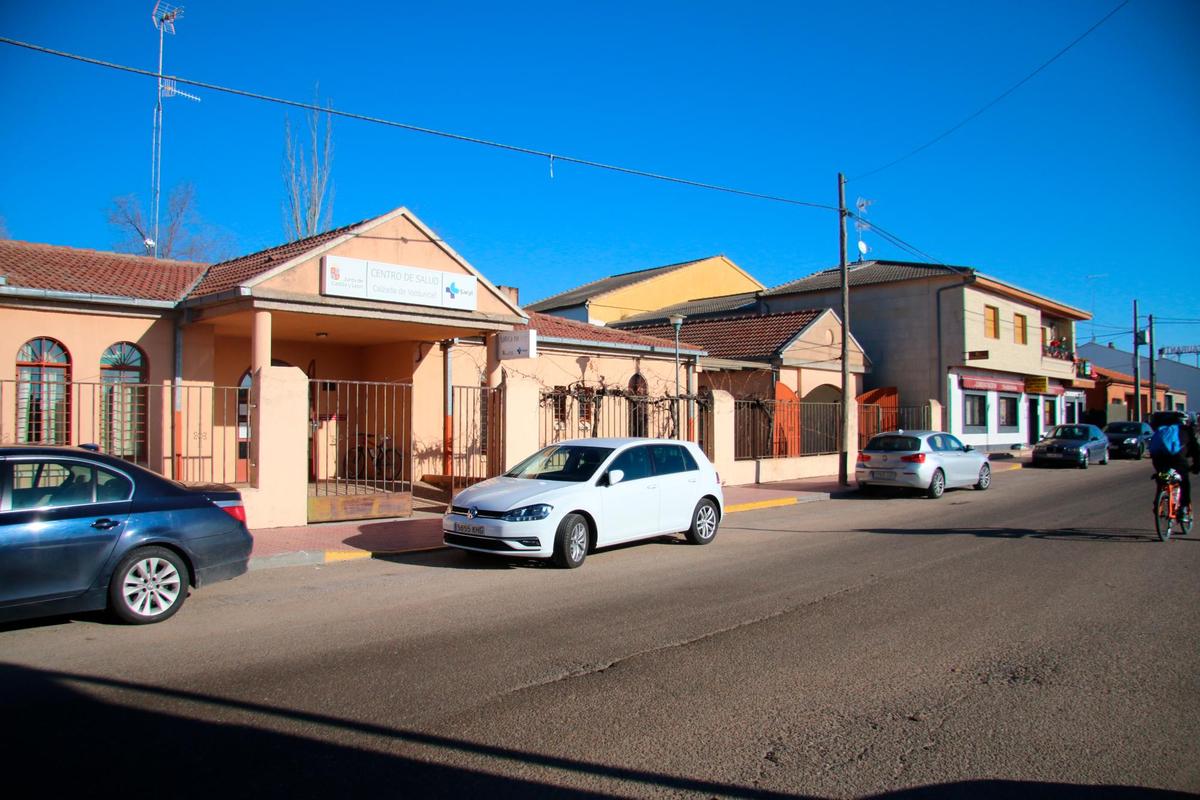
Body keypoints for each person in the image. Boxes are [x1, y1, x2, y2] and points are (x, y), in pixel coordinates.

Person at [1149, 415, 1200, 522]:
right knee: (1184, 481)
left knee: (1163, 478)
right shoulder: (1187, 431)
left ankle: (1158, 504)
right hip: (1176, 458)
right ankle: (1183, 508)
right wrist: (1196, 466)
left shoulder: (1163, 430)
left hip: (1158, 458)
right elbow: (1196, 451)